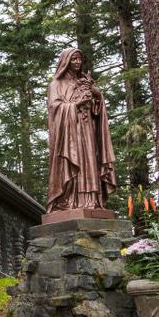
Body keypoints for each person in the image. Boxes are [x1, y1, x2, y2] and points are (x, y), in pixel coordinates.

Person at [46, 48, 117, 212]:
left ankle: (91, 201)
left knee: (90, 162)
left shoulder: (85, 82)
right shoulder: (56, 84)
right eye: (74, 59)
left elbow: (96, 110)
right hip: (69, 134)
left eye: (79, 59)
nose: (77, 62)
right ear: (66, 62)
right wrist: (75, 105)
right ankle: (70, 200)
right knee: (74, 162)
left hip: (87, 130)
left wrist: (97, 96)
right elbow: (54, 108)